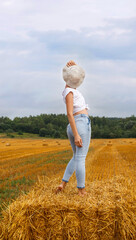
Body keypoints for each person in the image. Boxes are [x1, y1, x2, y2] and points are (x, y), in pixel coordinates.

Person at [55, 60, 91, 196]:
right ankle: (81, 190)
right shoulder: (70, 93)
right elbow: (69, 113)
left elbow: (71, 80)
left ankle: (63, 183)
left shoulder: (68, 90)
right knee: (81, 158)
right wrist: (77, 135)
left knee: (76, 156)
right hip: (79, 124)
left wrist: (73, 67)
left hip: (74, 125)